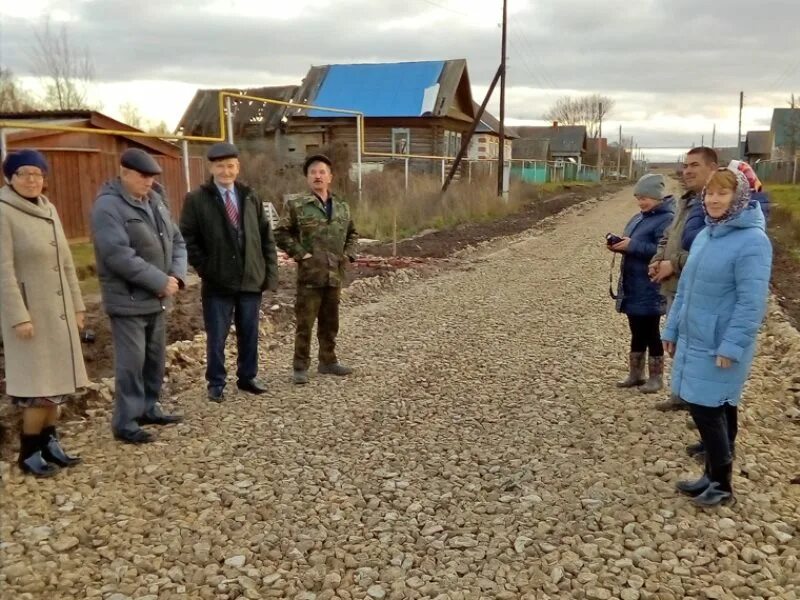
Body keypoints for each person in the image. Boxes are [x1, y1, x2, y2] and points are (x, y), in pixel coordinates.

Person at [663, 167, 772, 507]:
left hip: (720, 343)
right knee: (717, 407)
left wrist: (732, 345)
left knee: (708, 409)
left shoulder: (753, 241)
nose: (713, 199)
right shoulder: (708, 234)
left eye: (722, 193)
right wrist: (672, 328)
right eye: (710, 193)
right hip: (696, 336)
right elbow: (686, 290)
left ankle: (722, 485)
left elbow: (751, 302)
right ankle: (711, 476)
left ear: (738, 197)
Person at [0, 150, 88, 476]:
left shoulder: (49, 209)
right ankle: (28, 452)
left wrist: (78, 306)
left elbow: (66, 263)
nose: (32, 180)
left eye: (38, 174)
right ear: (9, 177)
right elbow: (3, 271)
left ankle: (51, 444)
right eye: (24, 173)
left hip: (59, 313)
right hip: (30, 317)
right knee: (38, 390)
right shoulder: (4, 212)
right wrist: (18, 315)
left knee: (58, 386)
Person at [91, 148, 187, 444]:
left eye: (152, 177)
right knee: (131, 362)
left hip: (158, 299)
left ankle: (149, 406)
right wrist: (159, 281)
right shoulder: (108, 207)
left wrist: (177, 276)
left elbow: (176, 239)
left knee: (154, 359)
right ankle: (126, 420)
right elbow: (118, 255)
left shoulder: (155, 201)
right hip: (128, 300)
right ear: (125, 173)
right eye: (143, 176)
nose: (149, 182)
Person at [179, 142, 278, 402]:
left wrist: (268, 272)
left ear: (238, 167)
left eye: (230, 166)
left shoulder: (250, 196)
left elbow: (265, 236)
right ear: (211, 168)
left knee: (249, 331)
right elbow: (188, 238)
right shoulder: (197, 199)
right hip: (217, 281)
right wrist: (205, 268)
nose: (226, 171)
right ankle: (216, 382)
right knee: (217, 335)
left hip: (250, 279)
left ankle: (247, 377)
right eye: (220, 166)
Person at [275, 154, 358, 385]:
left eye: (322, 172)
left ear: (330, 177)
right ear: (307, 178)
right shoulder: (297, 205)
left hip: (334, 274)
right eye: (313, 172)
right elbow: (280, 233)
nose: (318, 176)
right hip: (310, 275)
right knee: (305, 323)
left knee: (331, 322)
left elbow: (353, 233)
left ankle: (328, 361)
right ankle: (300, 366)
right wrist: (302, 254)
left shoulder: (341, 206)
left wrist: (349, 254)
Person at [648, 147, 718, 411]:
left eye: (695, 165)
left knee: (698, 347)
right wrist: (657, 260)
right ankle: (682, 395)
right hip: (674, 285)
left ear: (712, 168)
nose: (687, 170)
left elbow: (710, 253)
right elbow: (669, 235)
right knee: (677, 343)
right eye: (686, 165)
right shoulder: (687, 200)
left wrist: (673, 265)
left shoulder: (713, 203)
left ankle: (704, 406)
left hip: (697, 290)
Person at [610, 174, 675, 393]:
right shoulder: (640, 217)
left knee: (651, 332)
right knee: (636, 331)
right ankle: (636, 374)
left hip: (651, 286)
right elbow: (633, 244)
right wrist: (619, 245)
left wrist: (632, 246)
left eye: (645, 197)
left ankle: (656, 378)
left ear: (658, 196)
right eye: (638, 198)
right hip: (634, 285)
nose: (641, 202)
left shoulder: (667, 219)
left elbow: (663, 252)